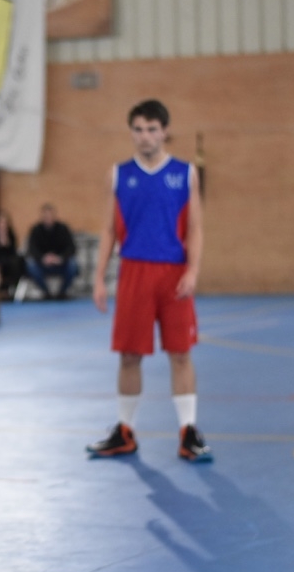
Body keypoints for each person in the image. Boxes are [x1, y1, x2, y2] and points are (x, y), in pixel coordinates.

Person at [87, 99, 211, 463]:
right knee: (129, 355)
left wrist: (192, 271)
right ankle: (125, 431)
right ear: (132, 132)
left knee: (180, 353)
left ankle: (188, 431)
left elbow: (195, 228)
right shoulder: (118, 174)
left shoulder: (185, 173)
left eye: (152, 129)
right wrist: (98, 277)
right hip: (134, 272)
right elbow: (109, 229)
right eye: (138, 129)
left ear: (164, 132)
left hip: (173, 274)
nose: (145, 136)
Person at [24, 202, 78, 300]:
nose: (48, 218)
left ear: (54, 216)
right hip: (42, 264)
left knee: (73, 265)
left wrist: (60, 258)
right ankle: (46, 293)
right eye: (46, 216)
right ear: (42, 217)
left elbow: (71, 248)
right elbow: (32, 249)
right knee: (31, 266)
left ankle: (62, 293)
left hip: (61, 264)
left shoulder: (63, 229)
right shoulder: (36, 230)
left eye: (50, 215)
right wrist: (43, 258)